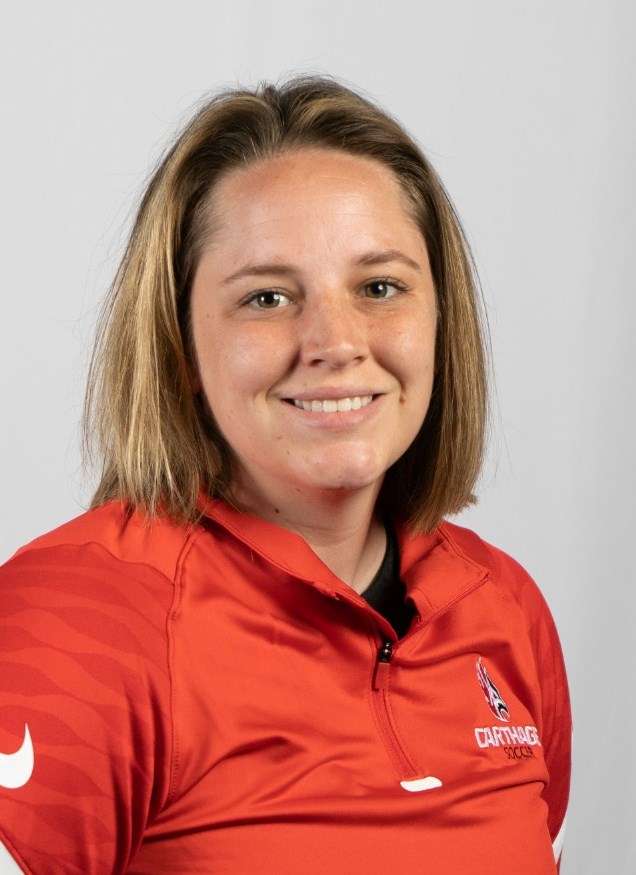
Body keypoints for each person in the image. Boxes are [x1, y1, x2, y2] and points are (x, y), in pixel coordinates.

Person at [0, 76, 571, 874]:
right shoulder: (74, 621)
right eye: (267, 297)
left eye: (380, 287)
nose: (335, 341)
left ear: (441, 317)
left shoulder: (504, 608)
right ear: (178, 346)